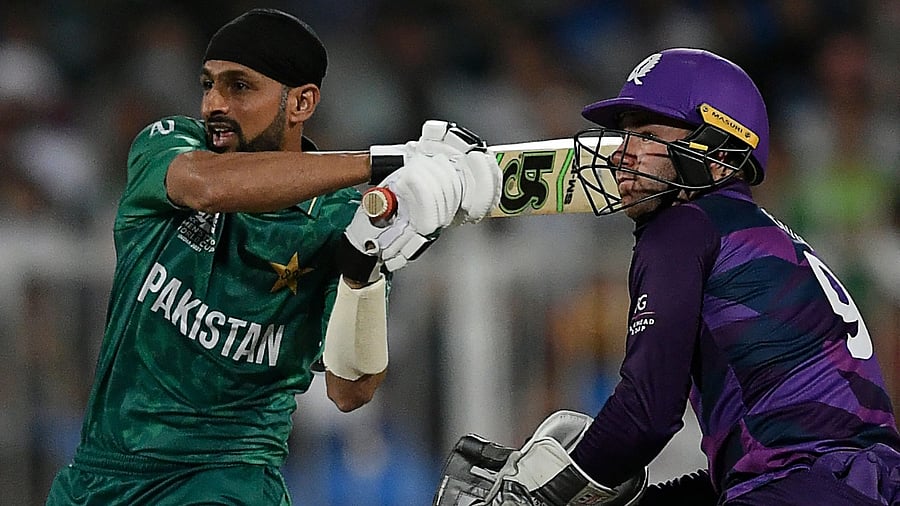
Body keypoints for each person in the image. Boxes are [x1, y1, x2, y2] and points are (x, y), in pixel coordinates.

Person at [46, 8, 501, 505]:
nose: (214, 104)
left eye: (239, 87)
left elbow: (352, 390)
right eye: (208, 85)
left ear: (301, 101)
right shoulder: (170, 147)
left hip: (224, 482)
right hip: (96, 477)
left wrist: (365, 270)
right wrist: (384, 162)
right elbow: (205, 187)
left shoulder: (344, 220)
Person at [432, 48, 900, 506]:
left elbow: (648, 414)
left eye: (648, 134)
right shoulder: (753, 231)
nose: (623, 154)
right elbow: (758, 466)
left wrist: (539, 497)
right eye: (625, 134)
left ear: (717, 154)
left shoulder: (682, 227)